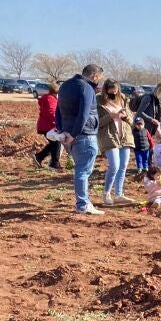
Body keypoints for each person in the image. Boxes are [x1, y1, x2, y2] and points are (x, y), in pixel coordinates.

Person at [57, 64, 105, 215]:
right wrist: (74, 133)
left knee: (80, 169)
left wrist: (62, 131)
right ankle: (83, 204)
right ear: (94, 76)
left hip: (68, 135)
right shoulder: (86, 88)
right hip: (84, 135)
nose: (99, 82)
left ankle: (84, 201)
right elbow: (84, 114)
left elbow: (58, 111)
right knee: (83, 171)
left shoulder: (65, 86)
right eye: (99, 79)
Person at [97, 79, 135, 206]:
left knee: (123, 166)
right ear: (106, 89)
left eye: (116, 89)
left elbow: (131, 120)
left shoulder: (123, 100)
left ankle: (119, 194)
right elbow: (97, 123)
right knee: (114, 165)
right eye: (111, 89)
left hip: (124, 136)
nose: (114, 91)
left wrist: (126, 116)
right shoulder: (99, 101)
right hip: (108, 136)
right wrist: (111, 116)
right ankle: (106, 193)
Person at [34, 82, 62, 169]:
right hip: (48, 126)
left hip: (45, 125)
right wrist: (57, 124)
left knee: (54, 143)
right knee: (56, 143)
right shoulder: (50, 99)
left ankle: (39, 157)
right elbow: (51, 113)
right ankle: (54, 164)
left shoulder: (49, 98)